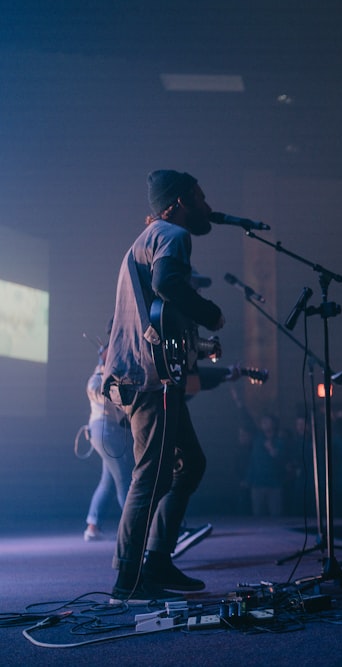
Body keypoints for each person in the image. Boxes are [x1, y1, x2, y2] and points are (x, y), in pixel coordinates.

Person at [103, 170, 225, 602]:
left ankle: (157, 561)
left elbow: (156, 311)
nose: (207, 206)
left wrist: (196, 342)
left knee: (188, 463)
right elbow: (167, 285)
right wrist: (211, 314)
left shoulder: (149, 239)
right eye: (200, 197)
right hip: (148, 382)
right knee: (150, 477)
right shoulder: (173, 234)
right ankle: (128, 578)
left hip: (145, 376)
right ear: (176, 204)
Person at [83, 345, 135, 541]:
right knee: (125, 481)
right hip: (106, 433)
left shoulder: (112, 376)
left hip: (107, 433)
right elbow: (101, 392)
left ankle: (92, 526)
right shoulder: (97, 380)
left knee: (108, 482)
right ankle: (135, 531)